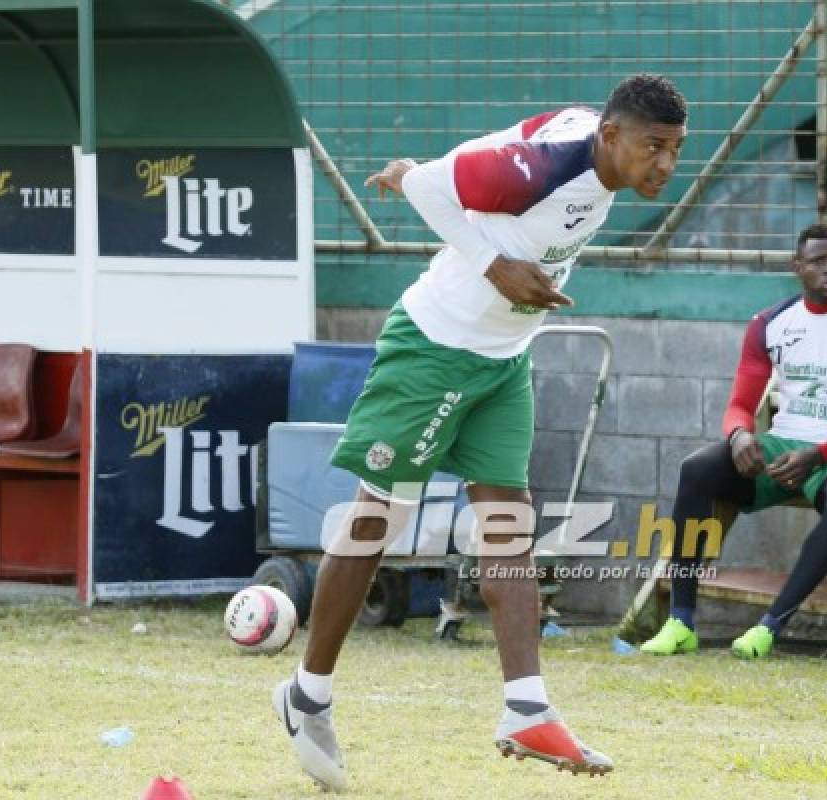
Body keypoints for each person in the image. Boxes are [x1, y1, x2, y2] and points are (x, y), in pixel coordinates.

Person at [272, 74, 687, 790]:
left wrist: (423, 177)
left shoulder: (587, 146)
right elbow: (447, 183)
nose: (666, 166)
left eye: (677, 150)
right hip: (434, 350)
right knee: (378, 520)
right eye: (655, 148)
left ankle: (526, 709)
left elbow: (470, 164)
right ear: (612, 136)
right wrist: (484, 252)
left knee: (508, 525)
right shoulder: (552, 166)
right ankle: (307, 693)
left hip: (503, 361)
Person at [639, 223, 827, 659]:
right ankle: (681, 620)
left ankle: (770, 626)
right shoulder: (770, 323)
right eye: (818, 262)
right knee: (697, 469)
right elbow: (740, 403)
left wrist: (819, 455)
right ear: (798, 268)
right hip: (782, 445)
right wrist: (739, 435)